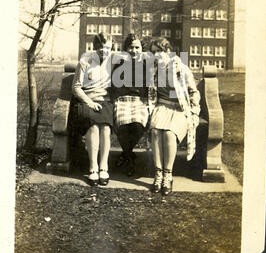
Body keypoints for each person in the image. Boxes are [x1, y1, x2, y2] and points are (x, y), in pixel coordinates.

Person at [149, 38, 200, 196]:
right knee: (156, 131)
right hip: (162, 106)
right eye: (153, 52)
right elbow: (151, 93)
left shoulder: (180, 68)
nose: (156, 55)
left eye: (159, 51)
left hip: (179, 108)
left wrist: (194, 111)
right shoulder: (154, 70)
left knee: (170, 134)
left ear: (167, 51)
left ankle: (168, 175)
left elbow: (193, 91)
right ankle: (158, 175)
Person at [71, 33, 114, 186]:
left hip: (105, 101)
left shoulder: (114, 60)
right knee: (94, 127)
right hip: (86, 100)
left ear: (112, 47)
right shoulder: (86, 60)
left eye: (107, 47)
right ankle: (93, 167)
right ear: (95, 47)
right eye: (101, 47)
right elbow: (76, 87)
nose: (104, 50)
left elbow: (137, 58)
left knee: (106, 129)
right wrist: (89, 102)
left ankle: (104, 167)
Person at [111, 33, 150, 177]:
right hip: (123, 100)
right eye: (130, 47)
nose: (134, 50)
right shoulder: (120, 64)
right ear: (126, 48)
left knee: (137, 126)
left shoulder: (146, 65)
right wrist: (115, 99)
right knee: (122, 126)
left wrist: (148, 102)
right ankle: (130, 159)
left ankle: (126, 154)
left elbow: (149, 87)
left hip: (140, 101)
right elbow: (114, 86)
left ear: (142, 49)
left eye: (137, 47)